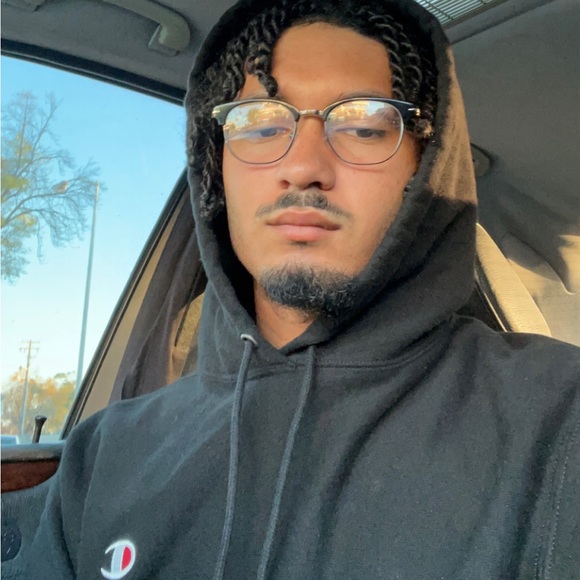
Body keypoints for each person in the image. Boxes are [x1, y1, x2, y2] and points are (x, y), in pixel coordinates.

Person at [25, 0, 579, 578]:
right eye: (262, 123)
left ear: (424, 166)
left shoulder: (557, 421)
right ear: (216, 167)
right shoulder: (104, 455)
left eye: (363, 124)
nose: (304, 165)